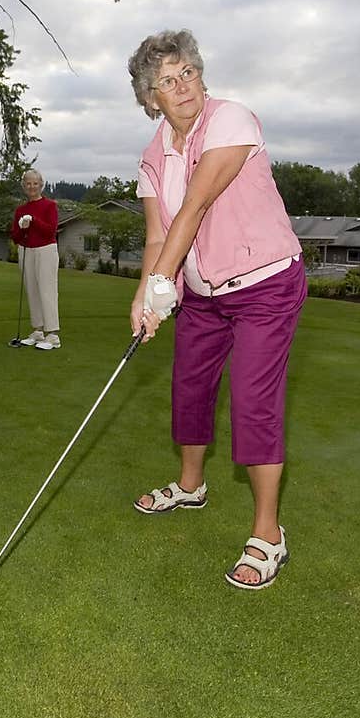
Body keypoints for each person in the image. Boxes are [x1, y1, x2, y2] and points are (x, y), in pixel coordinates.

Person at [127, 29, 306, 591]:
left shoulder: (231, 121)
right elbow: (158, 236)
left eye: (188, 73)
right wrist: (145, 295)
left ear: (201, 75)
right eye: (166, 81)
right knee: (190, 389)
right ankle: (190, 486)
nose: (181, 87)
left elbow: (198, 204)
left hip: (265, 284)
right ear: (149, 97)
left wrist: (162, 283)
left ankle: (268, 534)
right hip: (203, 295)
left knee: (253, 403)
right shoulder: (153, 156)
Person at [9, 169, 61, 350]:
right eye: (28, 183)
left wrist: (34, 221)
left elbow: (50, 231)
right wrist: (23, 227)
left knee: (47, 291)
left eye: (35, 183)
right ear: (24, 186)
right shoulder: (20, 210)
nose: (31, 187)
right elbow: (15, 237)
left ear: (41, 185)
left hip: (45, 250)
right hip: (26, 250)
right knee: (32, 291)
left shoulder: (49, 205)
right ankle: (38, 331)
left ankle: (52, 334)